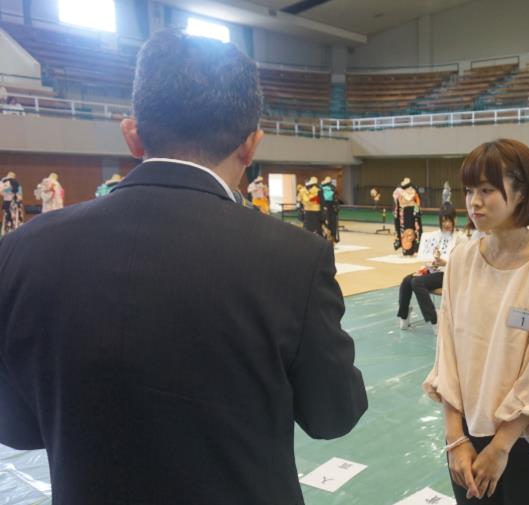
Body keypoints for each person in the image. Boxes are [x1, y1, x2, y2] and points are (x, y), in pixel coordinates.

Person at [0, 28, 367, 505]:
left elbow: (18, 426)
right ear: (251, 145)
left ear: (132, 135)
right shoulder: (295, 258)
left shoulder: (23, 251)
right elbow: (334, 415)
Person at [423, 138, 529, 505]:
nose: (474, 202)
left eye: (486, 190)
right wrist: (455, 437)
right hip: (467, 435)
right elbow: (447, 353)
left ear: (522, 192)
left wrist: (501, 446)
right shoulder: (461, 260)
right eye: (469, 191)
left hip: (526, 440)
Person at [398, 207, 465, 333]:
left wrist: (445, 262)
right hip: (434, 271)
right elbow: (429, 257)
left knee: (417, 282)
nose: (446, 224)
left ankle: (434, 319)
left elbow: (464, 264)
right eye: (443, 221)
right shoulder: (435, 236)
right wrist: (427, 266)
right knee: (407, 280)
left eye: (449, 220)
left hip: (449, 273)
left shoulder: (460, 238)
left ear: (455, 220)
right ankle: (404, 314)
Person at [395, 178, 422, 255]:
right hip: (406, 212)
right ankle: (408, 249)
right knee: (407, 231)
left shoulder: (412, 190)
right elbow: (417, 201)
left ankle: (414, 249)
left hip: (408, 212)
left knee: (412, 231)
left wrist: (417, 210)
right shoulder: (401, 192)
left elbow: (417, 201)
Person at [321, 176, 340, 243]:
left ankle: (325, 237)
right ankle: (333, 238)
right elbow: (336, 199)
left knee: (324, 223)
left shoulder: (320, 188)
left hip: (323, 207)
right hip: (331, 208)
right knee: (333, 223)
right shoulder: (333, 188)